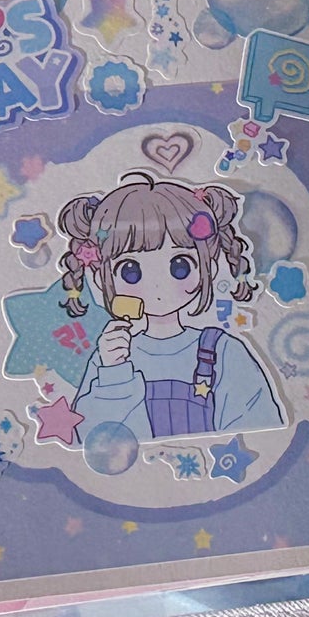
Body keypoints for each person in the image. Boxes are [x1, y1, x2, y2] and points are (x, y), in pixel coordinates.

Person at [61, 174, 283, 439]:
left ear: (210, 268)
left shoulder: (225, 352)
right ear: (101, 278)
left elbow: (260, 432)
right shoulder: (108, 357)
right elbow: (93, 442)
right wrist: (114, 375)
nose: (157, 286)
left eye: (180, 266)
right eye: (130, 270)